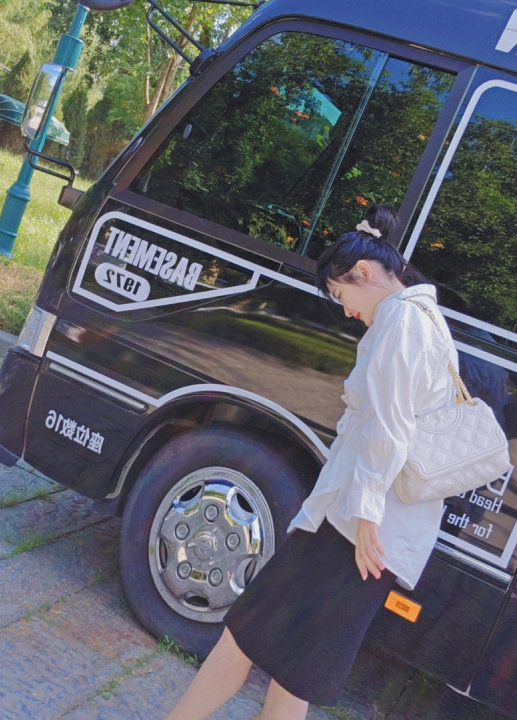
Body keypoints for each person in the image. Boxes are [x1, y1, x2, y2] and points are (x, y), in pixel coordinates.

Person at [165, 204, 457, 720]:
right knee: (290, 664)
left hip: (353, 531)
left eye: (342, 296)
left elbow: (389, 429)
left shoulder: (402, 322)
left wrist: (366, 515)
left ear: (363, 272)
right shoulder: (421, 319)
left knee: (248, 636)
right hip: (361, 530)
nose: (346, 312)